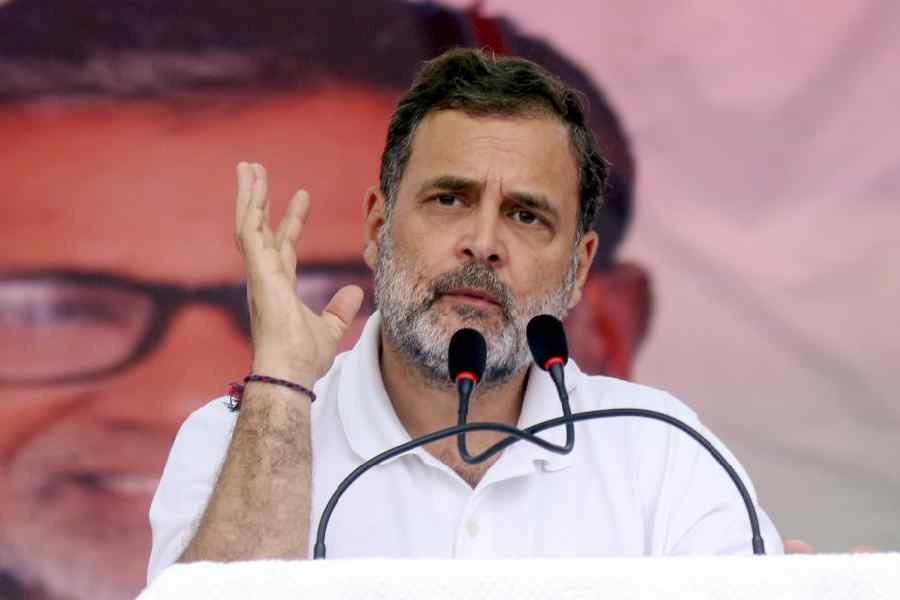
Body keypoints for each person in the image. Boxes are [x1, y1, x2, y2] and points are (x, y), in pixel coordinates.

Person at [0, 2, 653, 599]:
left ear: (603, 331)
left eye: (353, 296)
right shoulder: (211, 437)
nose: (186, 397)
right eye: (53, 310)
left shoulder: (677, 482)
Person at [147, 47, 783, 584]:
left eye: (526, 215)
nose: (483, 243)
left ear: (580, 268)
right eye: (449, 199)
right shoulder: (239, 438)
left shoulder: (664, 452)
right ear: (377, 227)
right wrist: (283, 388)